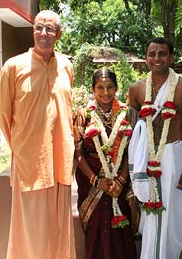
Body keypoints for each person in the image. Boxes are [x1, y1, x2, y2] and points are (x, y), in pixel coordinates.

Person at [0, 10, 75, 258]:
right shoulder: (13, 67)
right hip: (31, 162)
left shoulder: (66, 66)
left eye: (50, 29)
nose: (44, 33)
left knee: (59, 228)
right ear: (33, 31)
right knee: (31, 230)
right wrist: (22, 149)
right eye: (39, 27)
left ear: (58, 34)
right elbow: (3, 116)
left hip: (60, 159)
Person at [128, 37, 182, 258]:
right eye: (152, 54)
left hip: (173, 153)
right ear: (146, 57)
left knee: (171, 213)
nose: (157, 58)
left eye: (162, 54)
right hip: (146, 157)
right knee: (150, 211)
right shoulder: (136, 89)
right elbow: (131, 129)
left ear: (171, 57)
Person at [73, 67, 137, 259]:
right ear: (93, 90)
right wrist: (95, 180)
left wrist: (122, 181)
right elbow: (77, 153)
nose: (106, 92)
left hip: (120, 179)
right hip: (92, 181)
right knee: (96, 228)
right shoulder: (82, 115)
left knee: (120, 229)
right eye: (100, 87)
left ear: (117, 88)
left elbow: (131, 152)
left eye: (110, 87)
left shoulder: (127, 114)